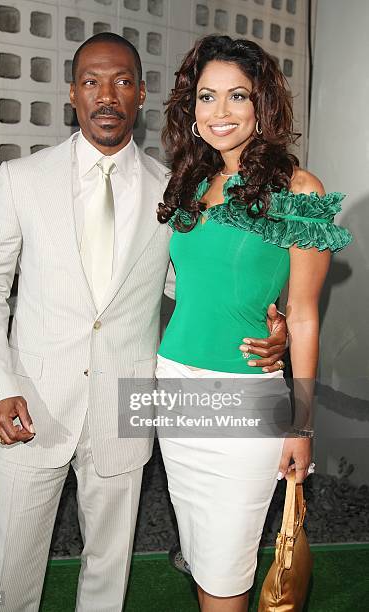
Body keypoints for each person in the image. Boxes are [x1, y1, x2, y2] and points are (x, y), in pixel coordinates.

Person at [0, 33, 287, 612]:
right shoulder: (21, 179)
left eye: (121, 82)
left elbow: (192, 286)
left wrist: (272, 320)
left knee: (109, 567)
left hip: (128, 404)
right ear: (72, 94)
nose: (105, 95)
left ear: (141, 95)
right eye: (91, 81)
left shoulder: (176, 189)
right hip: (29, 401)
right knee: (5, 563)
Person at [156, 35, 352, 612]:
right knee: (199, 548)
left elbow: (305, 314)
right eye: (207, 97)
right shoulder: (191, 183)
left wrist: (302, 423)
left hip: (245, 397)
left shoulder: (299, 190)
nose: (220, 113)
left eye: (236, 96)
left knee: (226, 564)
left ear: (262, 104)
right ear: (191, 112)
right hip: (173, 385)